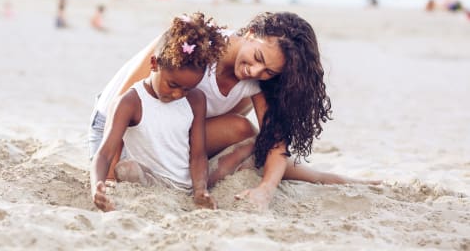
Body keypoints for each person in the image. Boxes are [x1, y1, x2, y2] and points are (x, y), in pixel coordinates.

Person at [91, 11, 380, 211]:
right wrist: (109, 181)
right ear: (251, 33)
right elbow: (123, 103)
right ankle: (144, 174)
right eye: (257, 58)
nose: (255, 71)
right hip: (119, 132)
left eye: (268, 72)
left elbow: (276, 143)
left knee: (250, 136)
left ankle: (330, 177)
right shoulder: (196, 45)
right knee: (245, 134)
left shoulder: (257, 82)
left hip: (173, 140)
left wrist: (266, 191)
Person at [90, 12, 226, 212]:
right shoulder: (130, 102)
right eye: (172, 85)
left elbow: (198, 154)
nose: (178, 94)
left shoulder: (196, 99)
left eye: (186, 89)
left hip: (184, 185)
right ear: (154, 64)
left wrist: (200, 190)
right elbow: (105, 152)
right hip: (149, 180)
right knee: (126, 169)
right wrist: (97, 186)